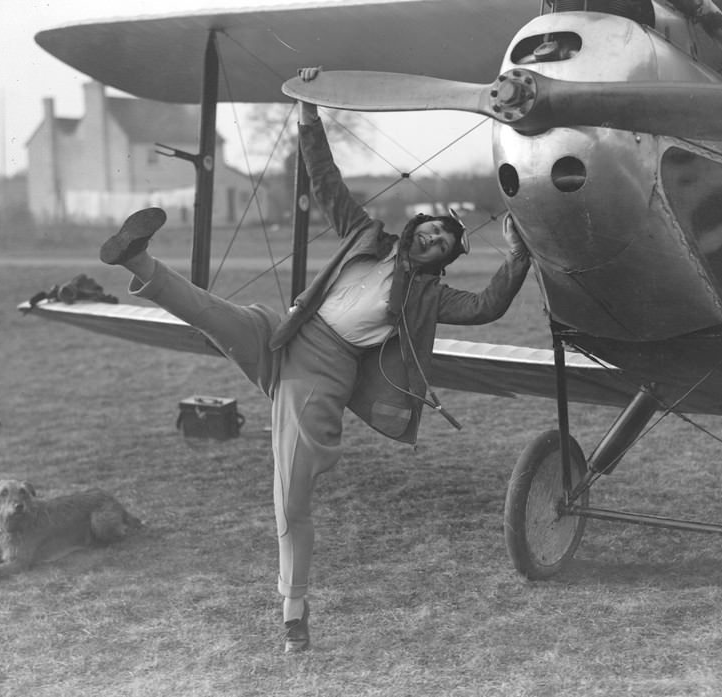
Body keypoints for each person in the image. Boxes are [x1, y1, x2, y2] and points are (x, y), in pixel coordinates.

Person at [99, 66, 532, 653]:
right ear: (417, 225)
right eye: (433, 230)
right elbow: (326, 182)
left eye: (445, 246)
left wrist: (518, 256)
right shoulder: (366, 236)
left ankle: (293, 612)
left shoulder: (428, 294)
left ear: (441, 262)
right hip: (285, 333)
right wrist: (308, 111)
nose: (435, 240)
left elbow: (486, 307)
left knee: (290, 499)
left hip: (321, 375)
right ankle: (137, 259)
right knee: (211, 313)